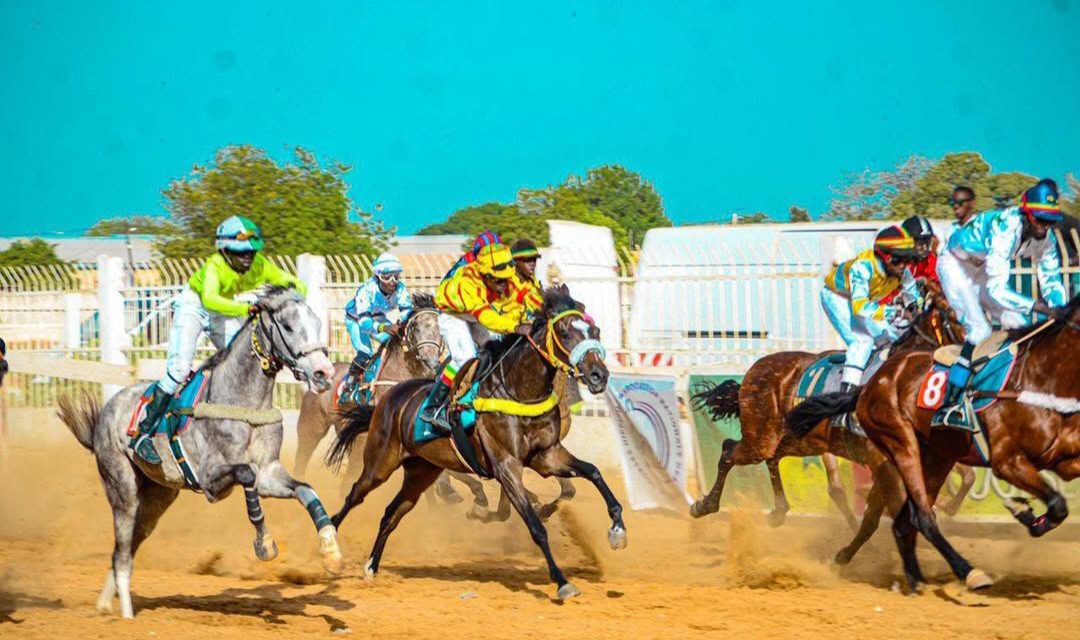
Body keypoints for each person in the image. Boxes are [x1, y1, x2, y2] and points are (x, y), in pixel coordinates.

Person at [132, 215, 307, 464]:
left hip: (223, 309)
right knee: (180, 369)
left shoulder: (260, 265)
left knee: (241, 363)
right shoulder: (215, 266)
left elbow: (299, 284)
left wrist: (289, 298)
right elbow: (210, 299)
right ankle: (142, 433)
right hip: (195, 306)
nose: (248, 257)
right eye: (240, 252)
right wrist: (246, 308)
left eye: (251, 251)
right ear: (224, 251)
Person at [936, 178, 1067, 419]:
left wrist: (1061, 309)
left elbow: (1051, 278)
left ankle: (1007, 390)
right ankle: (950, 403)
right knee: (980, 329)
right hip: (955, 265)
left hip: (981, 267)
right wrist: (1038, 306)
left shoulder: (1046, 240)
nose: (1044, 227)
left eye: (1050, 222)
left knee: (1019, 324)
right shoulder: (1006, 226)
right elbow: (997, 289)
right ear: (1026, 214)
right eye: (1039, 219)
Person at [420, 242, 529, 433]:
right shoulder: (469, 283)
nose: (504, 285)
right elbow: (487, 317)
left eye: (506, 280)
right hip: (452, 314)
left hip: (473, 313)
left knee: (494, 348)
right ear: (486, 275)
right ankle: (433, 408)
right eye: (498, 281)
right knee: (465, 357)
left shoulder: (501, 276)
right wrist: (515, 326)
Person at [820, 225, 923, 395]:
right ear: (884, 257)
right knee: (862, 342)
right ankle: (844, 398)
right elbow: (860, 308)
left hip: (863, 301)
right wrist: (895, 312)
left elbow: (915, 297)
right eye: (898, 260)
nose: (903, 266)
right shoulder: (863, 267)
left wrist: (918, 308)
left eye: (907, 260)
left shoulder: (901, 272)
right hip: (837, 297)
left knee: (891, 338)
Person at [339, 252, 413, 406]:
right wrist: (385, 327)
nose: (392, 282)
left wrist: (399, 323)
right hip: (357, 320)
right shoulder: (366, 290)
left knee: (395, 343)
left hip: (377, 317)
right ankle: (348, 388)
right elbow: (365, 322)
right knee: (365, 353)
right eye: (387, 276)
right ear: (378, 276)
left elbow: (407, 309)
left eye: (396, 276)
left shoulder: (400, 289)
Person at [508, 238, 545, 317]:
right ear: (515, 261)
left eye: (534, 259)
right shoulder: (508, 285)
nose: (532, 264)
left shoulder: (534, 283)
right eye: (527, 259)